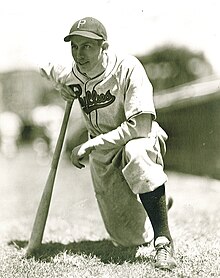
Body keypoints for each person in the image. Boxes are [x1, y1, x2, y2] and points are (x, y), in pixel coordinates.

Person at [44, 17, 177, 270]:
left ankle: (164, 242)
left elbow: (140, 125)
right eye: (74, 46)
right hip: (104, 155)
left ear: (104, 47)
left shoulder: (128, 68)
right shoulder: (73, 73)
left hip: (140, 138)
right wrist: (60, 86)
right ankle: (160, 201)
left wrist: (90, 145)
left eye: (87, 46)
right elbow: (47, 68)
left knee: (135, 151)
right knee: (127, 239)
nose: (79, 54)